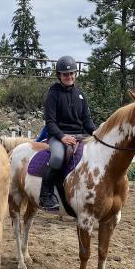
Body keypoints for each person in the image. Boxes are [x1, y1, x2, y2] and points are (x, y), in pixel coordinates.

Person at [40, 55, 97, 211]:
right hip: (59, 136)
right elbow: (50, 122)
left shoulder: (81, 95)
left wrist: (96, 132)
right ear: (59, 75)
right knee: (58, 157)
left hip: (80, 135)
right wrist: (62, 137)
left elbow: (87, 121)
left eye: (72, 73)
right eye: (65, 74)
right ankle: (45, 193)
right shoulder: (53, 94)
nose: (69, 77)